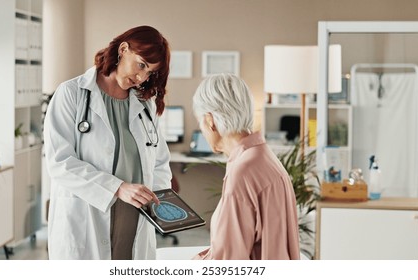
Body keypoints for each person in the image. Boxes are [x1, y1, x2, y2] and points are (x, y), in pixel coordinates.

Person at [44, 25, 172, 260]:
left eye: (150, 72)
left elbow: (160, 162)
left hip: (134, 215)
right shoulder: (71, 93)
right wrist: (117, 188)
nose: (142, 77)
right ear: (123, 49)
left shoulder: (145, 104)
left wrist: (160, 200)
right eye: (141, 65)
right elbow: (60, 162)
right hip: (87, 214)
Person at [191, 73, 300, 260]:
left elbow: (229, 261)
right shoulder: (263, 156)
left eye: (200, 123)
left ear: (210, 121)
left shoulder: (243, 171)